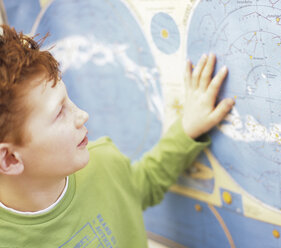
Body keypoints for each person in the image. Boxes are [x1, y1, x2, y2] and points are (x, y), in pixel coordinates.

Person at [0, 25, 234, 247]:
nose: (82, 115)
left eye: (67, 99)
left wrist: (187, 129)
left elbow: (139, 186)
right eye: (59, 112)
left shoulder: (103, 161)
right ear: (10, 158)